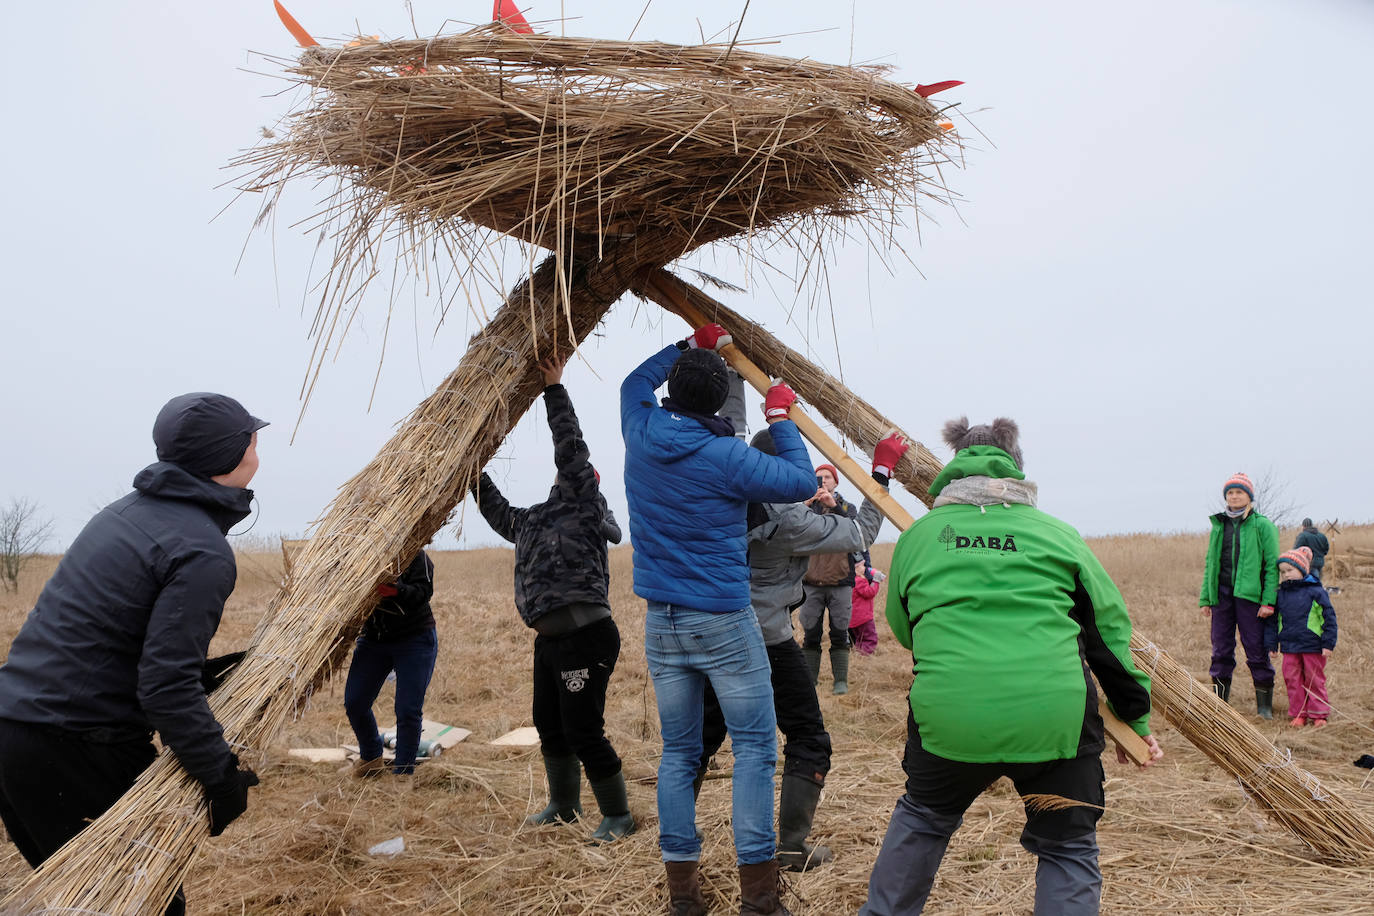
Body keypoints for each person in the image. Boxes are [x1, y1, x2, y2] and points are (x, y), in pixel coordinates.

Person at [860, 417, 1162, 916]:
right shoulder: (1058, 537)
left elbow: (903, 624)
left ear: (953, 470)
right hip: (1053, 724)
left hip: (952, 721)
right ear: (1017, 470)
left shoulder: (919, 538)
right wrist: (1134, 716)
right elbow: (1108, 637)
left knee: (923, 822)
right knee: (1067, 849)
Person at [0, 392, 267, 916]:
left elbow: (107, 640)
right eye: (253, 440)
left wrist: (212, 674)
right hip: (70, 748)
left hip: (15, 728)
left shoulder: (127, 513)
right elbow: (165, 688)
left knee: (88, 903)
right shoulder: (202, 550)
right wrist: (220, 775)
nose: (259, 450)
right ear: (232, 456)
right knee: (139, 905)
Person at [622, 323, 816, 916]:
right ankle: (759, 898)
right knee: (756, 749)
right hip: (724, 622)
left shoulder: (643, 429)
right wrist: (781, 420)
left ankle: (684, 898)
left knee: (680, 754)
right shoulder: (729, 455)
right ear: (719, 405)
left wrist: (686, 344)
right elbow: (803, 481)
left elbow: (635, 381)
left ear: (672, 392)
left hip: (664, 624)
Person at [696, 382, 906, 872]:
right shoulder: (790, 522)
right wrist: (880, 472)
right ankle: (791, 846)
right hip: (765, 638)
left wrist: (731, 370)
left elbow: (737, 431)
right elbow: (862, 533)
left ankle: (679, 834)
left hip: (708, 632)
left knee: (701, 739)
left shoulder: (719, 484)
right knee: (808, 736)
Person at [474, 353, 633, 843]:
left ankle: (619, 816)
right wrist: (469, 471)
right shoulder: (531, 520)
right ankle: (563, 806)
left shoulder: (585, 505)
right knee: (550, 724)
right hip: (548, 641)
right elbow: (496, 509)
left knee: (585, 730)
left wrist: (553, 389)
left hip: (588, 636)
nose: (566, 474)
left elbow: (570, 447)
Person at [344, 549, 438, 776]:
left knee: (407, 710)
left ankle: (403, 773)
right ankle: (371, 759)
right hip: (374, 639)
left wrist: (396, 591)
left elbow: (424, 592)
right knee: (355, 702)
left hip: (414, 639)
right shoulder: (359, 556)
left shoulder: (414, 555)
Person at [1199, 472, 1281, 718]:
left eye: (1239, 492)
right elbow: (1210, 564)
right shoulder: (1218, 525)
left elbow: (1271, 565)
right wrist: (1206, 598)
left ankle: (1264, 706)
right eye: (1230, 493)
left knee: (1256, 649)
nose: (1234, 496)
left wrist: (1269, 601)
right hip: (1222, 596)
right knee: (1221, 649)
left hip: (1250, 598)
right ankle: (1220, 705)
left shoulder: (1262, 525)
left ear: (1249, 497)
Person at [798, 463, 860, 694]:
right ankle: (810, 681)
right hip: (811, 582)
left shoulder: (847, 507)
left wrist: (833, 507)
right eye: (818, 478)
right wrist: (808, 504)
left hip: (840, 581)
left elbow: (854, 532)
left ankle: (840, 682)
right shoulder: (806, 508)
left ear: (836, 482)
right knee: (810, 633)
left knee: (839, 633)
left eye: (827, 477)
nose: (823, 481)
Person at [1264, 546, 1337, 728]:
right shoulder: (1280, 594)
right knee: (1292, 679)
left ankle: (1319, 714)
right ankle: (1299, 713)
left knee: (1314, 679)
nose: (1286, 575)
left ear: (1302, 569)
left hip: (1313, 645)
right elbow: (1273, 622)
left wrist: (1328, 643)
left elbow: (1329, 618)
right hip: (1289, 646)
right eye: (1283, 572)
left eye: (1290, 570)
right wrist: (1272, 645)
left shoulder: (1316, 592)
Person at [848, 559, 882, 656]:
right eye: (862, 566)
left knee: (860, 637)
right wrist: (876, 581)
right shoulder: (859, 580)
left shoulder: (852, 580)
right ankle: (864, 655)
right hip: (863, 617)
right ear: (856, 569)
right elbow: (869, 593)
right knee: (870, 637)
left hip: (855, 618)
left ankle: (859, 652)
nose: (865, 568)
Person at [1295, 518, 1330, 583]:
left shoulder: (1303, 535)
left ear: (1303, 526)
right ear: (1311, 525)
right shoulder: (1322, 536)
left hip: (1310, 564)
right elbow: (1326, 549)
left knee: (1313, 583)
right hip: (1321, 562)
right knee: (1318, 581)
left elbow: (1296, 550)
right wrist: (1321, 555)